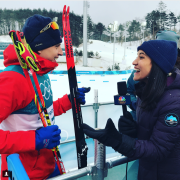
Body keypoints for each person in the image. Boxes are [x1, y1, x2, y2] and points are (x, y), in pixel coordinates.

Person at [0, 14, 90, 180]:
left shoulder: (40, 73)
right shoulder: (11, 80)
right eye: (56, 46)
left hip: (48, 165)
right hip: (21, 172)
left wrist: (69, 101)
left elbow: (40, 112)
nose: (60, 52)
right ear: (39, 47)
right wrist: (34, 139)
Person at [83, 40, 180, 180]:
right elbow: (153, 133)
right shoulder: (146, 92)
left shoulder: (174, 102)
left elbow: (158, 150)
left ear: (158, 63)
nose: (134, 62)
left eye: (141, 57)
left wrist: (118, 141)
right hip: (149, 172)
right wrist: (134, 130)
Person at [127, 30, 180, 121]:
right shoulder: (140, 73)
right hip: (140, 118)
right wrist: (135, 104)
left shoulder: (173, 101)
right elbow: (128, 91)